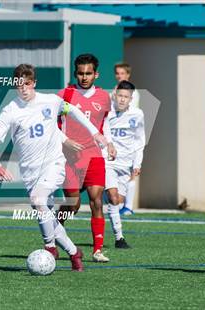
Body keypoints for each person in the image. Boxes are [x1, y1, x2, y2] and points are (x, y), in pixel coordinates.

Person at [0, 64, 108, 272]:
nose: (23, 88)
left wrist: (95, 132)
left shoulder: (51, 100)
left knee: (38, 201)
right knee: (47, 214)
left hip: (54, 165)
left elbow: (74, 111)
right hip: (30, 174)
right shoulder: (10, 110)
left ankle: (50, 248)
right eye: (19, 84)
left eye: (28, 84)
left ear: (34, 84)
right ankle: (74, 252)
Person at [57, 54, 116, 263]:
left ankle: (97, 250)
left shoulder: (103, 97)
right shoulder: (64, 95)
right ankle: (55, 231)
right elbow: (52, 126)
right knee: (72, 204)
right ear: (75, 74)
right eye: (81, 73)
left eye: (88, 73)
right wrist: (64, 142)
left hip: (94, 156)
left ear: (96, 74)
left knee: (97, 201)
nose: (84, 77)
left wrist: (108, 143)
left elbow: (104, 124)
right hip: (70, 157)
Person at [105, 81, 145, 249]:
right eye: (120, 96)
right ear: (115, 95)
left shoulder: (137, 114)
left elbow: (139, 140)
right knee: (113, 197)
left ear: (131, 99)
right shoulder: (107, 112)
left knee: (118, 201)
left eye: (126, 97)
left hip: (125, 165)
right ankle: (119, 238)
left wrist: (137, 164)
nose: (122, 100)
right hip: (108, 162)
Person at [112, 63, 140, 215]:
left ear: (127, 74)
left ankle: (128, 206)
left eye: (122, 73)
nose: (119, 76)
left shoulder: (133, 93)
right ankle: (117, 204)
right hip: (116, 139)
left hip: (129, 136)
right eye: (117, 73)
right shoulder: (114, 92)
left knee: (130, 172)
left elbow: (128, 113)